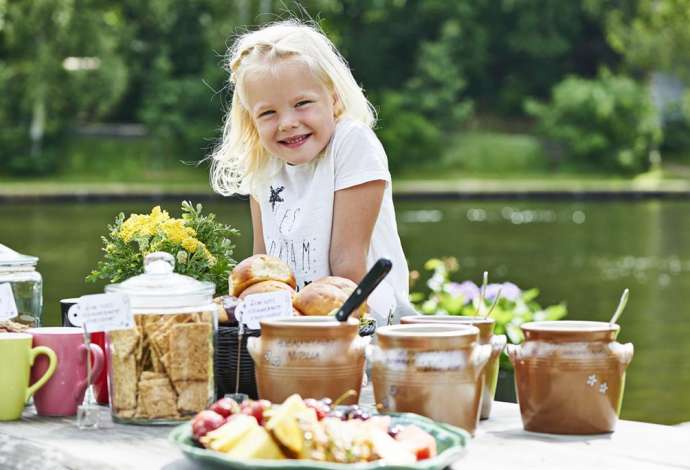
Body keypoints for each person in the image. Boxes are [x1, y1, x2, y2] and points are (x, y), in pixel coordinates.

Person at [210, 20, 414, 324]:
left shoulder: (351, 143)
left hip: (363, 328)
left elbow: (348, 265)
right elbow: (263, 268)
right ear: (251, 119)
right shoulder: (263, 160)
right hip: (294, 330)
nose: (287, 122)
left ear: (332, 98)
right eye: (268, 113)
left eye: (302, 103)